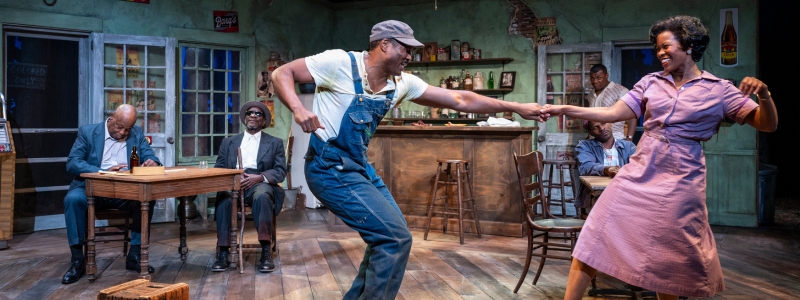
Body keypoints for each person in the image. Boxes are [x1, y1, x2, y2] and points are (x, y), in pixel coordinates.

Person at [271, 20, 543, 299]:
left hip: (358, 166)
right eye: (406, 49)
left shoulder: (402, 84)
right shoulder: (339, 62)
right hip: (328, 168)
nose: (410, 57)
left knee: (391, 237)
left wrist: (516, 107)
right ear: (384, 44)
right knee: (394, 239)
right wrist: (297, 109)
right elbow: (282, 73)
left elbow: (460, 99)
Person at [540, 16, 778, 299]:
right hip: (641, 170)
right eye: (657, 48)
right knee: (595, 236)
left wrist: (764, 94)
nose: (660, 53)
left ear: (689, 45)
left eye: (666, 46)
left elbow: (768, 124)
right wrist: (565, 109)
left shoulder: (719, 90)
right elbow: (612, 113)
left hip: (682, 177)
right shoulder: (650, 83)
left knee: (670, 260)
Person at [62, 104, 161, 284]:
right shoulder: (88, 132)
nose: (123, 133)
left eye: (127, 129)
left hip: (123, 189)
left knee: (146, 199)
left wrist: (152, 162)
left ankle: (134, 255)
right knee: (73, 199)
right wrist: (103, 170)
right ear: (112, 117)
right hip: (91, 186)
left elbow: (150, 155)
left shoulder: (136, 133)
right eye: (120, 127)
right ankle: (77, 260)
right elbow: (73, 162)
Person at [211, 101, 286, 273]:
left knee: (262, 196)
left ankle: (266, 249)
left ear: (264, 121)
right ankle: (223, 251)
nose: (253, 115)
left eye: (258, 114)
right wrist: (234, 176)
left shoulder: (274, 143)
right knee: (224, 198)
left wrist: (259, 177)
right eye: (249, 113)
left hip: (259, 181)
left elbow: (280, 171)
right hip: (234, 181)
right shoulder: (229, 142)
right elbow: (219, 167)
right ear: (245, 118)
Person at [574, 120, 636, 218]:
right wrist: (606, 170)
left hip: (623, 195)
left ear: (610, 123)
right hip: (596, 196)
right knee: (608, 215)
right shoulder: (585, 146)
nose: (602, 128)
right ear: (590, 132)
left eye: (603, 123)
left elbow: (638, 166)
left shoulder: (628, 146)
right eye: (595, 127)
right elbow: (586, 167)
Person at [587, 64, 637, 141]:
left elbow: (632, 116)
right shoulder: (591, 95)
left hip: (616, 139)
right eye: (592, 78)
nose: (595, 81)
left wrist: (629, 137)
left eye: (599, 78)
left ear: (606, 76)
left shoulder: (621, 91)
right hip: (594, 141)